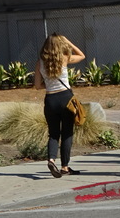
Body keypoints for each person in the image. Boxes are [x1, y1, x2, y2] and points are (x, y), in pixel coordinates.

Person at [34, 33, 86, 178]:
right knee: (67, 133)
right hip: (66, 98)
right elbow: (82, 55)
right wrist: (68, 41)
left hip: (50, 99)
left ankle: (51, 159)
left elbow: (37, 86)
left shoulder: (40, 63)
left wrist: (49, 83)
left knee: (54, 133)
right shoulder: (64, 58)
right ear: (59, 45)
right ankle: (65, 166)